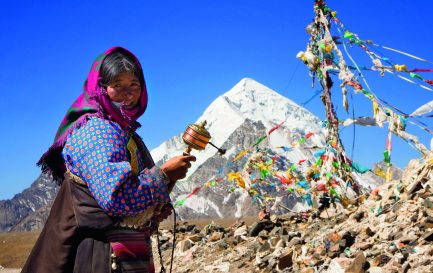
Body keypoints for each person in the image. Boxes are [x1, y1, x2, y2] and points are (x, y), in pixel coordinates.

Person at [22, 46, 196, 273]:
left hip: (127, 250)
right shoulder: (97, 131)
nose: (128, 93)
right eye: (117, 85)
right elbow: (116, 197)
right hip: (104, 254)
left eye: (134, 84)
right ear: (101, 87)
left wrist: (153, 208)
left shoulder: (123, 131)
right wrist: (164, 174)